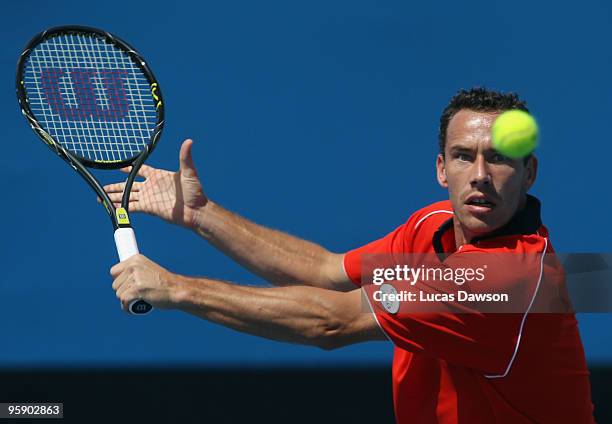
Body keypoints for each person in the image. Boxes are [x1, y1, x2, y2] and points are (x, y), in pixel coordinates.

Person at [108, 87, 595, 423]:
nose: (481, 174)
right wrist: (203, 215)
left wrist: (177, 289)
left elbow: (332, 323)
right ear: (441, 169)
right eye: (464, 156)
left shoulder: (508, 278)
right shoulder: (430, 227)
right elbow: (325, 270)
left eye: (501, 159)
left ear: (529, 173)